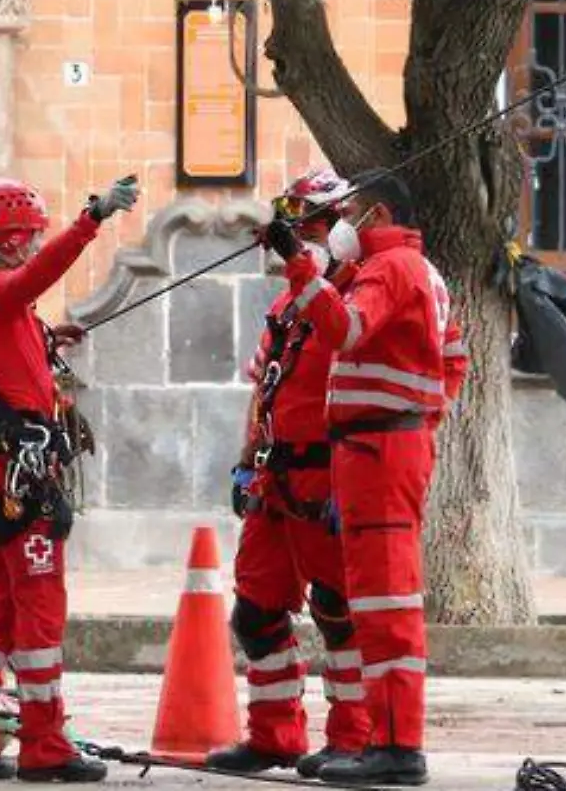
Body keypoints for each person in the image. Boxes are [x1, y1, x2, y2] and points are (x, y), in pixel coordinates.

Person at [0, 174, 140, 784]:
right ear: (1, 242)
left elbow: (6, 351)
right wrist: (92, 218)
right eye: (25, 239)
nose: (31, 248)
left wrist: (47, 336)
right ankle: (45, 745)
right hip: (17, 476)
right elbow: (35, 278)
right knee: (38, 611)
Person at [260, 170, 454, 787]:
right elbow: (454, 361)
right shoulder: (404, 270)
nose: (339, 224)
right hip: (379, 446)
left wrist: (299, 266)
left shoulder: (392, 268)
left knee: (383, 599)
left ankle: (397, 746)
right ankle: (383, 738)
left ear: (374, 214)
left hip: (380, 447)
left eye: (347, 213)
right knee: (372, 597)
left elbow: (344, 329)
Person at [208, 169, 371, 778]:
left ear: (338, 226)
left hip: (325, 482)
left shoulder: (354, 297)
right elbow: (263, 389)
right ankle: (274, 737)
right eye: (291, 228)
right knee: (255, 612)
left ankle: (355, 740)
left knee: (338, 613)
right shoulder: (286, 306)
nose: (295, 241)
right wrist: (245, 460)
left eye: (307, 227)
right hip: (275, 482)